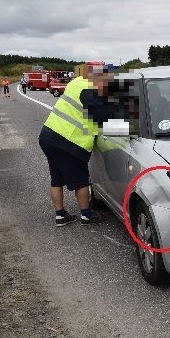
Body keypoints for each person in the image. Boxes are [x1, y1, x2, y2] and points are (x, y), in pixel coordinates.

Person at [38, 66, 113, 226]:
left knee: (56, 178)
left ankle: (60, 215)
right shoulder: (91, 92)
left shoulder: (77, 82)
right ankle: (86, 215)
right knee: (81, 180)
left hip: (48, 135)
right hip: (69, 141)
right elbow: (102, 119)